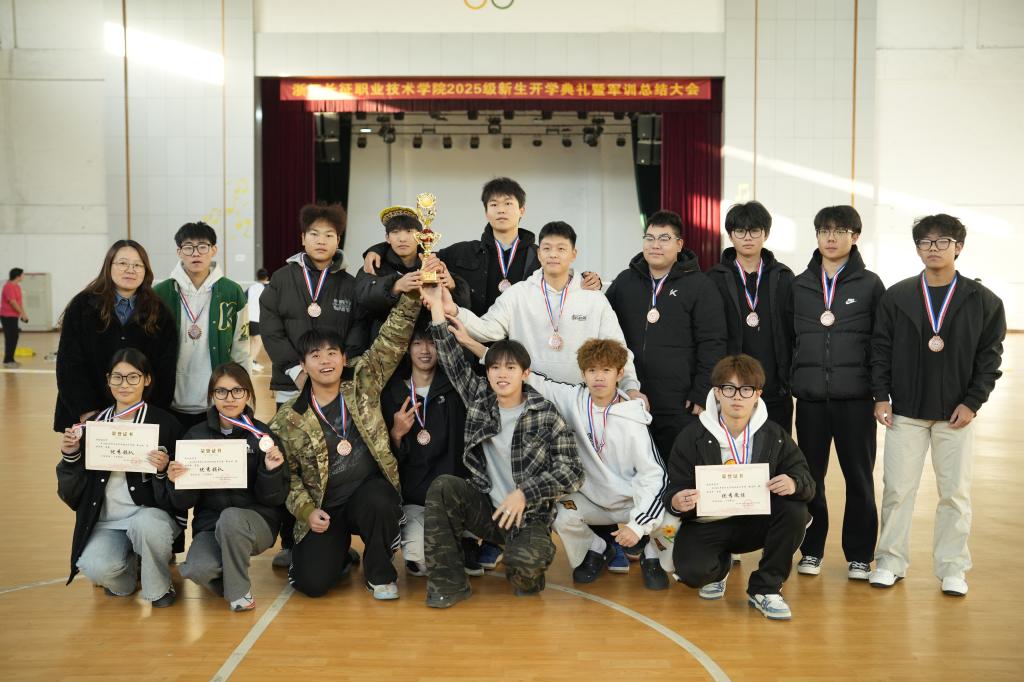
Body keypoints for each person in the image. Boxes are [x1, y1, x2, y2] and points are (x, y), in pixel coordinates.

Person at [452, 324, 669, 589]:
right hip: (592, 499)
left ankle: (652, 555)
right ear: (583, 374)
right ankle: (596, 548)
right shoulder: (572, 399)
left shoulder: (633, 418)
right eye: (592, 370)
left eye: (606, 370)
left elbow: (654, 476)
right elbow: (525, 376)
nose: (599, 378)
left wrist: (637, 525)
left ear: (619, 374)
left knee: (670, 517)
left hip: (629, 499)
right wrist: (472, 344)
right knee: (559, 513)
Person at [420, 283, 583, 608]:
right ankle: (449, 585)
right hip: (487, 509)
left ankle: (525, 557)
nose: (501, 374)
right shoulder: (481, 399)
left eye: (510, 368)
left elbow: (573, 472)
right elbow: (452, 360)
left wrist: (525, 493)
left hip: (529, 516)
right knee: (444, 487)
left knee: (524, 576)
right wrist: (436, 306)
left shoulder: (545, 413)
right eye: (495, 367)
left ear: (525, 373)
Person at [869, 214, 1006, 596]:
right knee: (897, 491)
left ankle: (952, 568)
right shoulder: (897, 296)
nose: (933, 248)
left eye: (942, 241)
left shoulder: (983, 301)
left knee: (955, 495)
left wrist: (973, 403)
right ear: (917, 248)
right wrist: (880, 396)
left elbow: (989, 359)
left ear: (958, 247)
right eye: (926, 242)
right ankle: (890, 561)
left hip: (955, 416)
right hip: (906, 413)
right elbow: (879, 349)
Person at [269, 292, 421, 600]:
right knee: (310, 585)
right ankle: (339, 555)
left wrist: (414, 295)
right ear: (303, 364)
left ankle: (379, 574)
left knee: (381, 500)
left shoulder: (362, 380)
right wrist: (307, 510)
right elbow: (289, 477)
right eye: (315, 356)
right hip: (325, 508)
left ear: (343, 358)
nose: (325, 361)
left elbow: (392, 338)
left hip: (367, 494)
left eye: (332, 353)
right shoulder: (289, 418)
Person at [657, 354, 814, 620]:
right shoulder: (692, 436)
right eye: (729, 389)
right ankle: (720, 569)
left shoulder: (774, 434)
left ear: (758, 394)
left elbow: (806, 480)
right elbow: (675, 487)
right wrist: (677, 500)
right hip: (709, 523)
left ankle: (765, 588)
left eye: (746, 389)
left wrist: (793, 482)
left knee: (795, 511)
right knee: (692, 572)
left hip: (756, 521)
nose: (737, 397)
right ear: (717, 393)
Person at [260, 203, 368, 567]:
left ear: (339, 240)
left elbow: (357, 330)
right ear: (302, 239)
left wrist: (337, 371)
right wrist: (297, 369)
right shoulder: (281, 279)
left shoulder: (349, 284)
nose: (322, 241)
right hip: (292, 386)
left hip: (335, 389)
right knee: (290, 464)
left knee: (333, 461)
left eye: (329, 235)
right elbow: (271, 328)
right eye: (314, 234)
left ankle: (335, 538)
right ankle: (290, 540)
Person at [788, 205, 886, 581]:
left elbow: (880, 343)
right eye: (824, 231)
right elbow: (788, 339)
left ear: (855, 236)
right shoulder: (799, 285)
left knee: (859, 479)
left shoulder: (870, 284)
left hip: (856, 400)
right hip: (811, 400)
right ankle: (811, 550)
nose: (831, 238)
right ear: (816, 236)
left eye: (840, 231)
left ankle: (860, 555)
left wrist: (880, 393)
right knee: (810, 478)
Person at [363, 177, 602, 316]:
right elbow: (420, 256)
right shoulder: (462, 252)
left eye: (508, 204)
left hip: (525, 345)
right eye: (494, 204)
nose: (501, 210)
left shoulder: (540, 254)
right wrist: (379, 249)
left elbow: (565, 276)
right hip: (474, 341)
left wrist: (590, 281)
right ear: (486, 212)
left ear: (521, 210)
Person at [56, 348, 184, 607]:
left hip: (149, 517)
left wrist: (163, 471)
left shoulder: (166, 424)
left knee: (147, 526)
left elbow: (181, 493)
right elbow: (70, 494)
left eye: (133, 377)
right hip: (107, 521)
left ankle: (160, 588)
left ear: (147, 380)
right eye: (117, 377)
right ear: (108, 380)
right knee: (93, 566)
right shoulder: (93, 426)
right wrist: (71, 456)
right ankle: (127, 576)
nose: (124, 384)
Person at [606, 210, 727, 461]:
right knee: (633, 470)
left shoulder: (700, 286)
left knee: (677, 470)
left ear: (679, 244)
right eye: (649, 238)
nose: (655, 245)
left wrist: (702, 391)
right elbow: (602, 327)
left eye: (664, 239)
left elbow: (713, 343)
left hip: (680, 404)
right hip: (630, 397)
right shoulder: (625, 281)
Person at [167, 362, 288, 611]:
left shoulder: (262, 436)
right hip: (210, 524)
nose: (229, 398)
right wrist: (176, 480)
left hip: (257, 521)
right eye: (221, 391)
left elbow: (274, 499)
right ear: (212, 395)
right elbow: (184, 503)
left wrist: (271, 471)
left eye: (237, 391)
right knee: (196, 569)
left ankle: (240, 595)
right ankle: (231, 578)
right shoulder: (195, 436)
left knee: (231, 518)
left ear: (248, 394)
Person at [54, 240, 177, 433]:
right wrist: (88, 413)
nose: (130, 270)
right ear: (108, 266)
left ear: (145, 271)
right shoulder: (82, 306)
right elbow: (69, 364)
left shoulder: (159, 311)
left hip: (141, 419)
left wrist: (150, 415)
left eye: (137, 265)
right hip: (88, 415)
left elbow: (165, 370)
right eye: (123, 263)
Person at [381, 324, 470, 577]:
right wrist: (396, 433)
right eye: (418, 343)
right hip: (414, 500)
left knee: (449, 558)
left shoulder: (455, 390)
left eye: (431, 343)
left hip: (450, 498)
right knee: (420, 562)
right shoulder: (392, 394)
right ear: (407, 349)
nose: (425, 350)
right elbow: (384, 460)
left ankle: (463, 539)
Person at [707, 202, 796, 431]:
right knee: (734, 449)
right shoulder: (714, 279)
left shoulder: (784, 277)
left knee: (776, 448)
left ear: (765, 234)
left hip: (775, 388)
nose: (747, 237)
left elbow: (793, 331)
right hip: (731, 391)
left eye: (754, 230)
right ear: (730, 235)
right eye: (740, 231)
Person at [154, 221, 250, 430]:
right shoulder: (160, 293)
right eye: (188, 247)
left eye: (202, 246)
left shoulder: (231, 292)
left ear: (213, 250)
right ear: (179, 252)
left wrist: (245, 395)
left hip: (216, 403)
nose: (196, 253)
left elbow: (241, 349)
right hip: (169, 400)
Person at [356, 205, 470, 339]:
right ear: (387, 238)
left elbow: (464, 306)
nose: (402, 238)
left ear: (420, 236)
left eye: (409, 231)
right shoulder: (375, 264)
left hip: (430, 341)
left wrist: (452, 286)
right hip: (387, 343)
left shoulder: (433, 262)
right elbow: (362, 296)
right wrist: (395, 286)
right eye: (395, 232)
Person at [2, 267, 29, 367]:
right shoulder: (8, 286)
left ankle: (11, 359)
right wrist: (22, 313)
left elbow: (19, 303)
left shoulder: (17, 287)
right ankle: (7, 361)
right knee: (10, 337)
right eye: (22, 274)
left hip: (14, 316)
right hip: (7, 316)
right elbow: (12, 302)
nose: (23, 276)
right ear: (18, 276)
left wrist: (24, 314)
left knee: (14, 337)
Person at [247, 268, 270, 372]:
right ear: (267, 277)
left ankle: (252, 361)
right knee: (257, 342)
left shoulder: (251, 288)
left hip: (248, 319)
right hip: (257, 319)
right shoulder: (269, 287)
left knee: (253, 341)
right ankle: (249, 363)